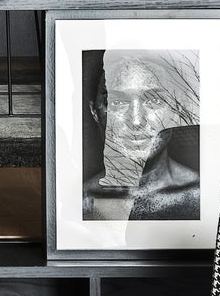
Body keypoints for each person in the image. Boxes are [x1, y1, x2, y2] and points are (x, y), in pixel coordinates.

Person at [81, 49, 201, 221]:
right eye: (118, 102)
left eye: (154, 101)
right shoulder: (79, 201)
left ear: (178, 110)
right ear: (95, 112)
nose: (136, 121)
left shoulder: (205, 196)